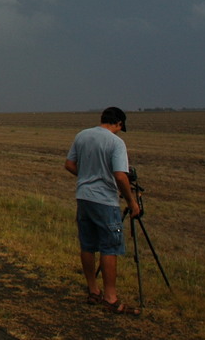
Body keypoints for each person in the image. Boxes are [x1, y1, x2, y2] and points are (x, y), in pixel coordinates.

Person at [64, 106, 142, 315]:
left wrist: (87, 176)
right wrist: (132, 202)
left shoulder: (82, 135)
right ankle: (110, 297)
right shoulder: (116, 142)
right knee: (110, 246)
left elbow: (69, 164)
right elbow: (120, 175)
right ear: (119, 123)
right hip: (105, 201)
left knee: (87, 245)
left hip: (83, 197)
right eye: (120, 127)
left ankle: (93, 290)